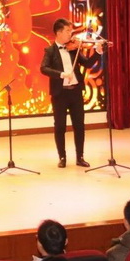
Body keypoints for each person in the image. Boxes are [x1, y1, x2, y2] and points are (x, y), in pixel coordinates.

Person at [40, 18, 102, 168]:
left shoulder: (74, 48)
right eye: (68, 31)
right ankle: (62, 157)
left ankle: (80, 157)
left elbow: (87, 63)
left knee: (79, 126)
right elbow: (44, 68)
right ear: (59, 32)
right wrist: (61, 74)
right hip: (60, 94)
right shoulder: (50, 51)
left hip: (75, 92)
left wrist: (98, 52)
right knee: (60, 126)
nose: (71, 34)